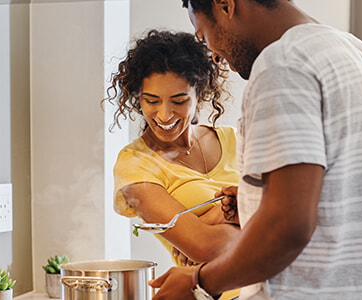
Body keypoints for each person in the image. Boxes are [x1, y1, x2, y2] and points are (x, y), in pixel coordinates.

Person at [148, 0, 362, 299]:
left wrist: (199, 282)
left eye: (204, 35)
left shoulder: (283, 63)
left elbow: (287, 228)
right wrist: (260, 207)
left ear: (225, 5)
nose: (214, 55)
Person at [104, 29, 260, 300]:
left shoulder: (236, 139)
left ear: (199, 94)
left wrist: (214, 219)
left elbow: (293, 215)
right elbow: (207, 249)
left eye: (179, 100)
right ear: (137, 98)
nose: (164, 114)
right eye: (151, 101)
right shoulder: (135, 164)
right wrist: (245, 213)